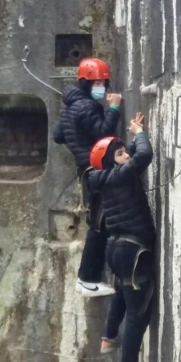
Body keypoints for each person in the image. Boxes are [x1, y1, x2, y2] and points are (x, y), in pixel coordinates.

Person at [87, 113, 155, 362]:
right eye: (121, 153)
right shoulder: (121, 175)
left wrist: (131, 139)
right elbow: (145, 155)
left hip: (117, 248)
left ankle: (107, 336)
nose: (126, 155)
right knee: (138, 317)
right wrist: (139, 134)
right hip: (133, 249)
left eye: (125, 151)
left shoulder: (102, 180)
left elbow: (130, 156)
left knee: (124, 292)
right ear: (111, 162)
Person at [53, 57, 122, 294]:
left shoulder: (71, 106)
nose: (102, 87)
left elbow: (58, 135)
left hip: (84, 170)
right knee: (100, 225)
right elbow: (104, 132)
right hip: (95, 168)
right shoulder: (87, 106)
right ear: (85, 83)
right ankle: (87, 278)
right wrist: (113, 108)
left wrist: (78, 143)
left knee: (98, 221)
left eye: (103, 83)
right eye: (98, 83)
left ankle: (89, 277)